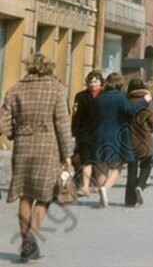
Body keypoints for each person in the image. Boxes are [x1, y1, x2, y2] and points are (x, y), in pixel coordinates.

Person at [0, 54, 74, 262]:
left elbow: (3, 123)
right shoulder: (57, 90)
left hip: (23, 148)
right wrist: (67, 153)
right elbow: (62, 124)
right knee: (45, 195)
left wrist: (17, 133)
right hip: (49, 148)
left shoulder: (14, 90)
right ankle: (31, 238)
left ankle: (26, 242)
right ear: (48, 68)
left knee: (25, 194)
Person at [93, 72, 151, 207]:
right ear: (119, 83)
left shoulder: (99, 98)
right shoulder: (120, 97)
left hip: (99, 133)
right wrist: (144, 101)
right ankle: (105, 189)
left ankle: (102, 194)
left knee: (102, 165)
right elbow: (130, 110)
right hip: (115, 134)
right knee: (117, 166)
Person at [125, 78, 153, 206]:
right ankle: (140, 185)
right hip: (144, 138)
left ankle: (130, 200)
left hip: (129, 138)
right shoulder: (147, 101)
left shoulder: (126, 99)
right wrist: (151, 128)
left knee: (131, 169)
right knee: (146, 165)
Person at [71, 69, 102, 196]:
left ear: (100, 82)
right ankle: (85, 185)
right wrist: (74, 133)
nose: (93, 84)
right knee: (86, 159)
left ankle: (98, 184)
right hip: (85, 132)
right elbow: (76, 116)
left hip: (100, 132)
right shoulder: (81, 96)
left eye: (95, 81)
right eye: (90, 82)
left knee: (98, 159)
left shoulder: (105, 95)